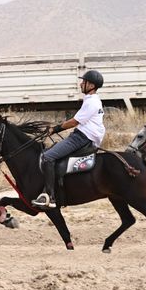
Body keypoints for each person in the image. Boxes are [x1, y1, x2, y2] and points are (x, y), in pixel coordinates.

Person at [32, 70, 105, 208]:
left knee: (47, 157)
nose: (81, 84)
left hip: (82, 137)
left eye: (84, 82)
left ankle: (49, 197)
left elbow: (74, 122)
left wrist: (55, 129)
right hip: (84, 136)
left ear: (91, 85)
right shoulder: (92, 100)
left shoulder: (92, 102)